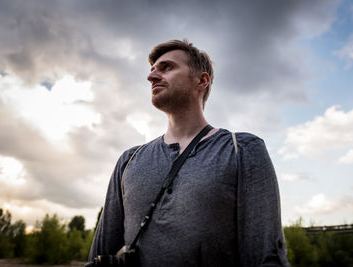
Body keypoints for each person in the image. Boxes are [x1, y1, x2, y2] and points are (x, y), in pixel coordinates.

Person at [87, 39, 289, 266]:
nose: (151, 77)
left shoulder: (242, 150)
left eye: (167, 67)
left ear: (201, 80)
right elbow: (99, 257)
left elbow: (267, 258)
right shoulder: (128, 161)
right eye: (152, 70)